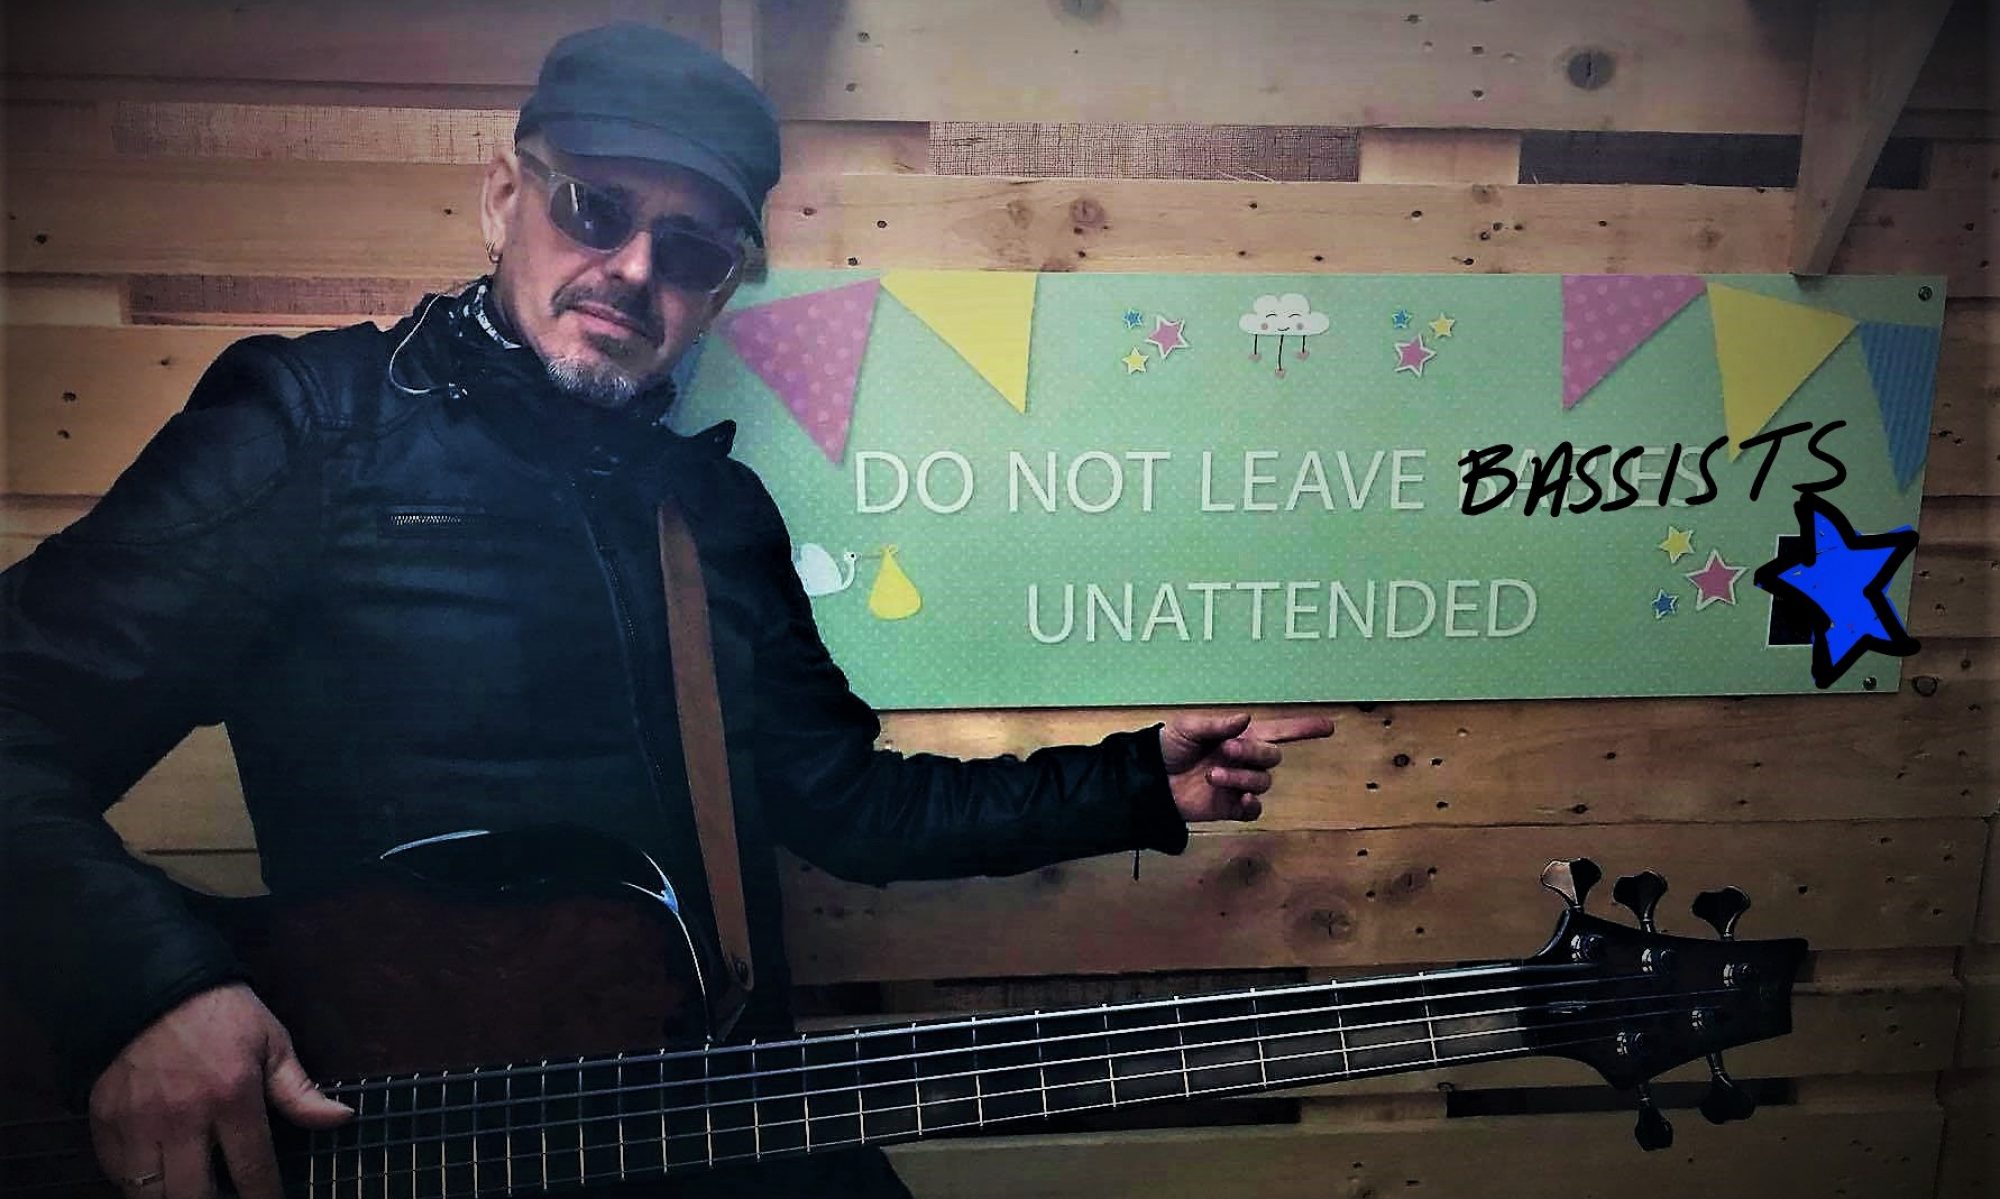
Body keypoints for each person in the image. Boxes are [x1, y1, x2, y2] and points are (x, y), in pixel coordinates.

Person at [0, 23, 1334, 1199]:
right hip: (402, 1145)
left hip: (700, 1123)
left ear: (723, 287)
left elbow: (845, 809)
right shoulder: (315, 429)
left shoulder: (713, 513)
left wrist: (1132, 784)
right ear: (504, 196)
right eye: (595, 206)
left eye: (690, 249)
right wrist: (147, 989)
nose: (634, 267)